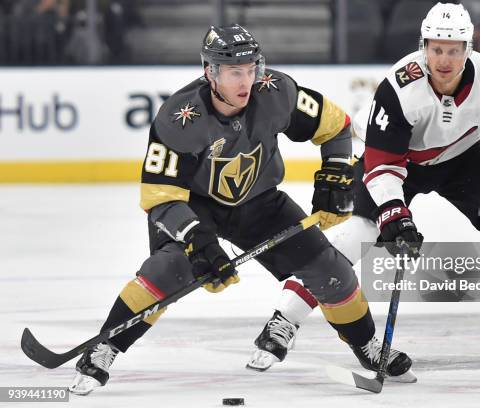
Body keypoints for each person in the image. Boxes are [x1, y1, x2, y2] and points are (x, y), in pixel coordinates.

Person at [67, 23, 415, 396]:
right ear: (210, 72)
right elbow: (160, 198)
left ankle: (366, 346)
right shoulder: (179, 118)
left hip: (261, 202)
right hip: (194, 208)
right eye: (235, 71)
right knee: (169, 270)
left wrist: (335, 173)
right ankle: (104, 346)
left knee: (329, 269)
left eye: (251, 69)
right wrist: (196, 239)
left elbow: (337, 126)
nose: (246, 81)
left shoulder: (276, 92)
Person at [247, 2, 480, 372]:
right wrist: (394, 214)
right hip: (396, 162)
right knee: (352, 235)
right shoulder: (400, 86)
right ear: (424, 47)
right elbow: (383, 163)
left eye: (453, 50)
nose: (444, 59)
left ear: (468, 50)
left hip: (463, 156)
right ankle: (284, 321)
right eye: (437, 48)